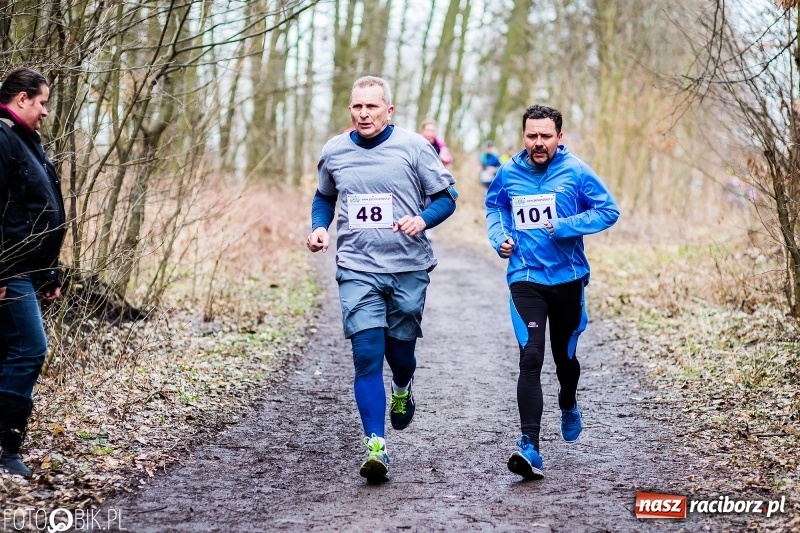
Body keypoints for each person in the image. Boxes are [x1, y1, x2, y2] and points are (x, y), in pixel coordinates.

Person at [306, 76, 458, 482]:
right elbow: (324, 197)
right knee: (367, 354)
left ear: (388, 111)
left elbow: (447, 198)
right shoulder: (334, 151)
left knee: (400, 351)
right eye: (357, 107)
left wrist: (422, 220)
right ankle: (376, 445)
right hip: (357, 268)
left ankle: (404, 384)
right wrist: (321, 228)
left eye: (372, 107)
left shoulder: (413, 148)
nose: (363, 114)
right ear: (350, 109)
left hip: (408, 267)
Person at [485, 104, 619, 480]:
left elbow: (608, 210)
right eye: (532, 135)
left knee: (565, 359)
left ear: (560, 137)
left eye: (546, 136)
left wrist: (564, 225)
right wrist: (501, 238)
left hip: (568, 279)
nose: (538, 143)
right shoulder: (509, 172)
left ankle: (568, 400)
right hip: (525, 277)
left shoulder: (576, 171)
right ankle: (530, 446)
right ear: (523, 135)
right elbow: (495, 207)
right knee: (531, 356)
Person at [0, 67, 66, 478]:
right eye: (41, 102)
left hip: (28, 270)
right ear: (21, 98)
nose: (44, 111)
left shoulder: (28, 142)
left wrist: (50, 274)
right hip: (9, 271)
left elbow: (36, 214)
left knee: (11, 353)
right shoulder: (3, 139)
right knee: (29, 350)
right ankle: (6, 452)